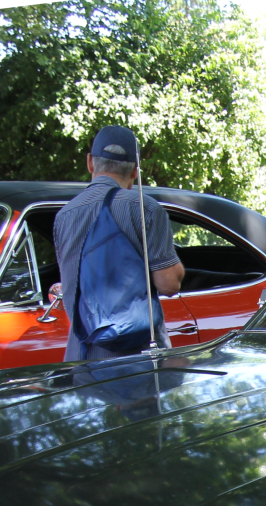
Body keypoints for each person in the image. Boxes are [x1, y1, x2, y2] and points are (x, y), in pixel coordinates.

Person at [52, 125, 185, 361]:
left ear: (90, 163)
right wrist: (177, 269)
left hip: (81, 358)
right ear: (135, 171)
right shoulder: (146, 208)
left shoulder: (63, 216)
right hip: (138, 360)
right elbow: (169, 284)